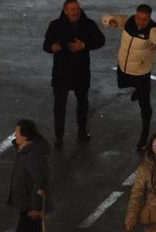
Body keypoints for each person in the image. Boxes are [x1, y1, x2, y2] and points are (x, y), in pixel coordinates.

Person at [106, 4, 156, 150]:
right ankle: (138, 93)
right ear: (135, 15)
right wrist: (111, 21)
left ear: (149, 18)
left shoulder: (152, 29)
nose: (141, 22)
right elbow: (109, 17)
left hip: (141, 73)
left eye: (145, 19)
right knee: (121, 85)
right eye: (139, 18)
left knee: (145, 106)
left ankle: (144, 135)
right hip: (123, 67)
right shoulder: (128, 21)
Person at [43, 0, 106, 144]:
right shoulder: (55, 25)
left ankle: (82, 130)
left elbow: (101, 41)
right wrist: (52, 48)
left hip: (81, 72)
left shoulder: (88, 24)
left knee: (82, 103)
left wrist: (84, 45)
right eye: (72, 9)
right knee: (59, 105)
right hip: (61, 73)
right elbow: (46, 45)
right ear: (65, 11)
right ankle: (59, 136)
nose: (75, 11)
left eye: (77, 8)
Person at [7, 121, 51, 232]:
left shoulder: (31, 156)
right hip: (27, 206)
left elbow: (38, 182)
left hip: (29, 207)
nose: (15, 136)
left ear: (25, 137)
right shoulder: (27, 151)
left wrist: (35, 207)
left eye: (17, 133)